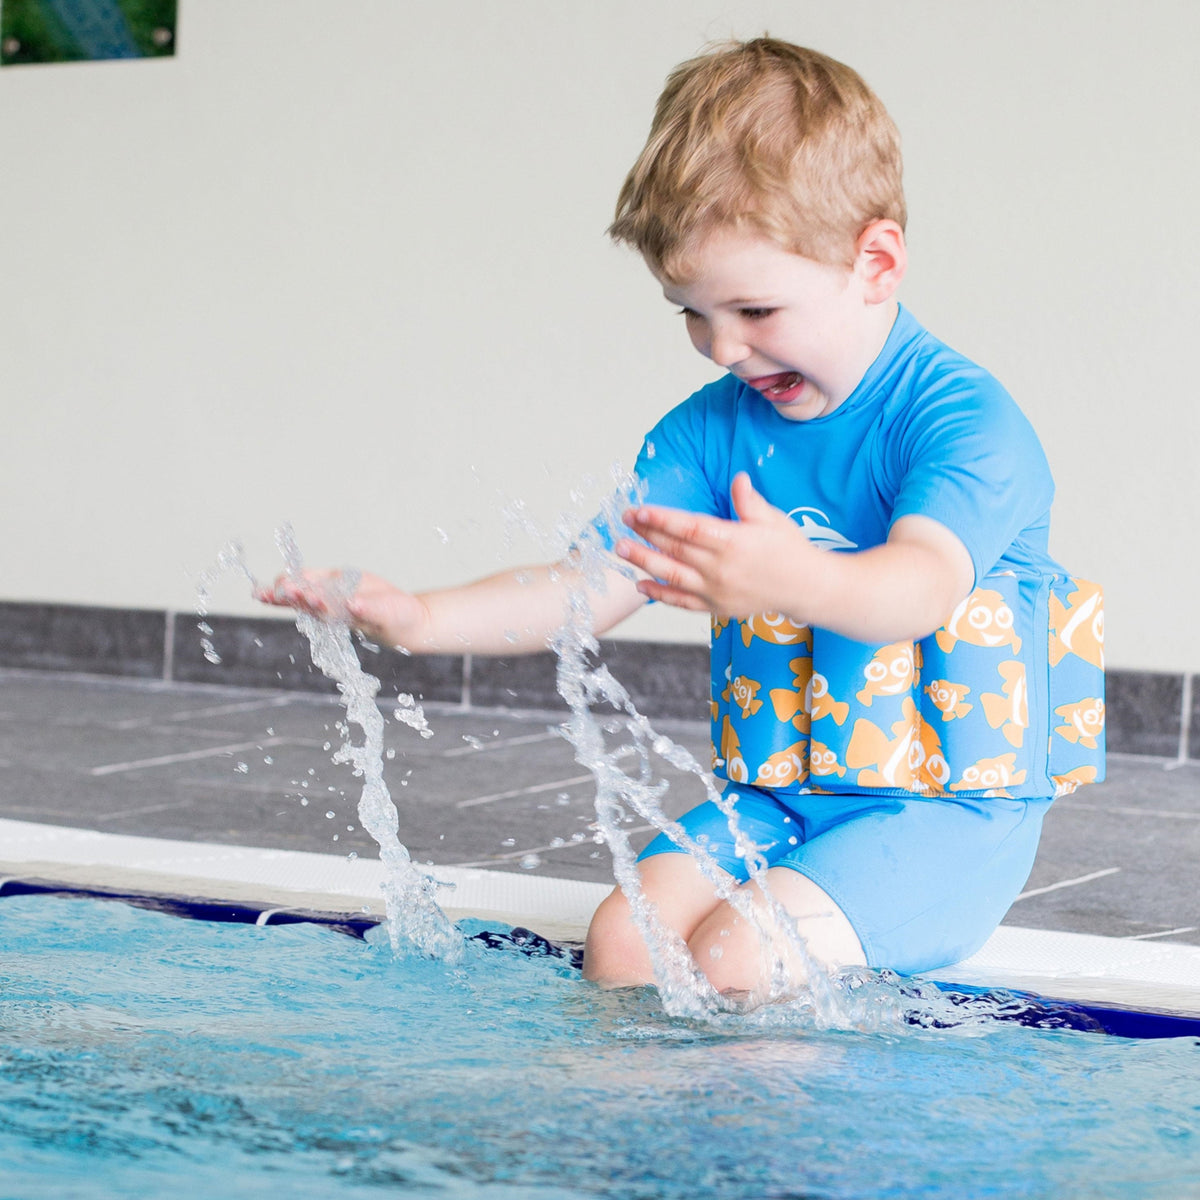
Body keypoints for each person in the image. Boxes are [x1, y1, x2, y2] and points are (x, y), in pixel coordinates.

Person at [260, 37, 1104, 1001]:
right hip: (781, 798)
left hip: (949, 819)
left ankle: (773, 1149)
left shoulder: (961, 422)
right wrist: (417, 617)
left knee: (737, 962)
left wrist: (790, 578)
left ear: (876, 261)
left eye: (754, 309)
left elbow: (918, 588)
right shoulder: (711, 433)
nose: (723, 349)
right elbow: (584, 586)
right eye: (691, 314)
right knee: (622, 942)